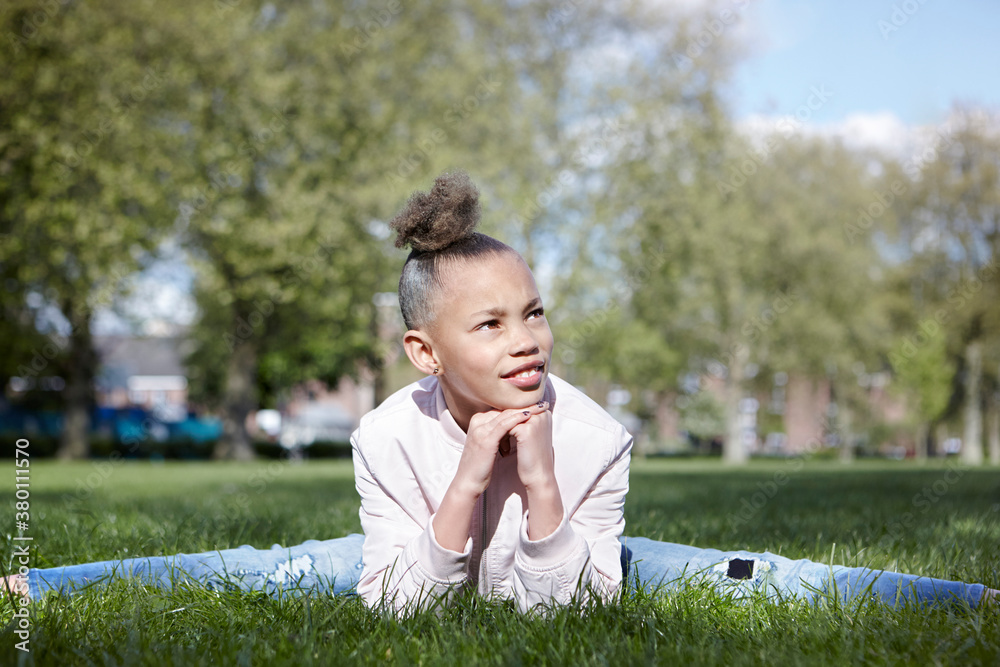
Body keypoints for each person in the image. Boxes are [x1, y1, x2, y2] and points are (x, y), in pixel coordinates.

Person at [5, 171, 997, 614]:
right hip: (403, 553)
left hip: (590, 561)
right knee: (262, 568)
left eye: (533, 312)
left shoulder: (596, 432)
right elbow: (403, 610)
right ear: (423, 352)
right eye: (488, 325)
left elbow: (560, 612)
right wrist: (467, 482)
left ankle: (968, 596)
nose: (526, 341)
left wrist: (545, 485)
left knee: (745, 574)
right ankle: (33, 586)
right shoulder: (385, 434)